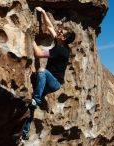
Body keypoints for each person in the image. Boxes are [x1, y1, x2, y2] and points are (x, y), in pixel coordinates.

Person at [21, 6, 75, 140]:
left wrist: (30, 38)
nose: (59, 30)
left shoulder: (61, 50)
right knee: (31, 105)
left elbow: (39, 54)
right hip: (47, 80)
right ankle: (26, 130)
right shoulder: (60, 43)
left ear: (63, 38)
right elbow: (50, 27)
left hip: (54, 83)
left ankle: (37, 100)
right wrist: (43, 12)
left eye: (61, 31)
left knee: (42, 71)